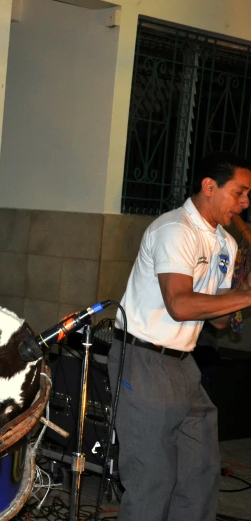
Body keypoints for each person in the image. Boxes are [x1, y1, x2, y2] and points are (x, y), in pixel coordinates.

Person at [109, 152, 251, 521]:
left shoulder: (226, 243)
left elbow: (216, 321)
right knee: (152, 478)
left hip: (183, 364)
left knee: (200, 472)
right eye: (239, 192)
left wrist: (242, 291)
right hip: (143, 359)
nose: (245, 203)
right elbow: (180, 305)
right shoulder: (175, 230)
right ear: (209, 187)